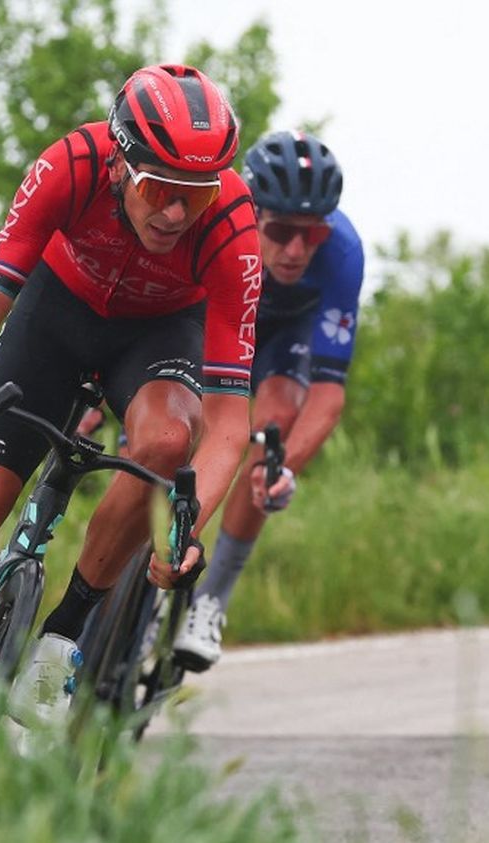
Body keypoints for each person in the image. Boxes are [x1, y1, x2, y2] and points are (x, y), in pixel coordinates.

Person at [0, 64, 262, 763]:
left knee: (169, 437)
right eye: (159, 190)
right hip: (56, 316)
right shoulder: (72, 165)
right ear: (121, 162)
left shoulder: (233, 231)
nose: (177, 214)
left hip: (156, 337)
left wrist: (187, 524)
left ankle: (63, 633)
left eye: (196, 195)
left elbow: (229, 421)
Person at [171, 129, 364, 671]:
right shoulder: (216, 225)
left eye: (313, 235)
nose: (297, 250)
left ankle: (211, 601)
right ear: (252, 212)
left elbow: (327, 396)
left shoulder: (343, 255)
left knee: (275, 424)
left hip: (283, 337)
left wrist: (283, 469)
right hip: (218, 317)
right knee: (174, 422)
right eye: (280, 231)